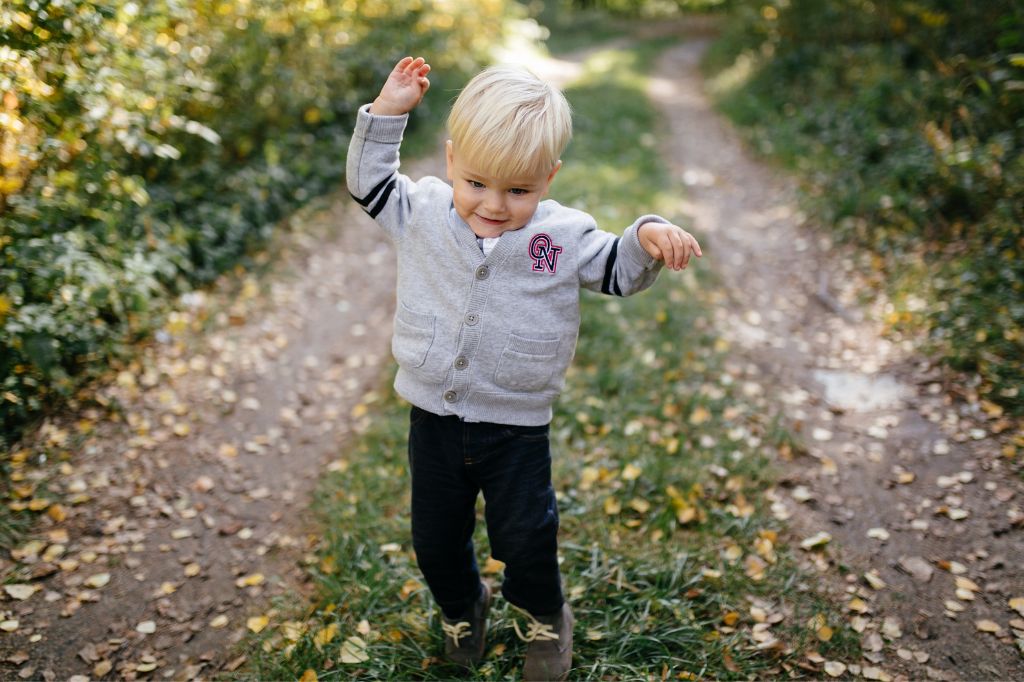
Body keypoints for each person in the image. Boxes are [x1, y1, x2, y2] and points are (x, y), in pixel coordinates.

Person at [346, 56, 702, 681]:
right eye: (478, 183)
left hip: (515, 428)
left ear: (549, 177)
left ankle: (543, 616)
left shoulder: (558, 236)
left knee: (525, 540)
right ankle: (463, 607)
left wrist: (646, 233)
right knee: (434, 541)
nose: (494, 205)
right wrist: (386, 114)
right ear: (452, 161)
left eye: (519, 191)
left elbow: (617, 269)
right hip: (432, 418)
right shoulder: (423, 210)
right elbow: (368, 182)